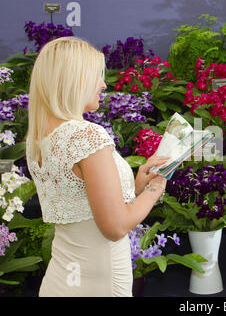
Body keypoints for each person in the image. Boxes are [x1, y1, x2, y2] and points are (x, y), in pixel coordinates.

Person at [25, 36, 169, 297]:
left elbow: (81, 203)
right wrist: (155, 190)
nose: (103, 84)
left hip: (61, 280)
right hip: (99, 283)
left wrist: (135, 187)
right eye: (96, 76)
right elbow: (114, 227)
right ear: (74, 81)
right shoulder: (86, 135)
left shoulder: (39, 139)